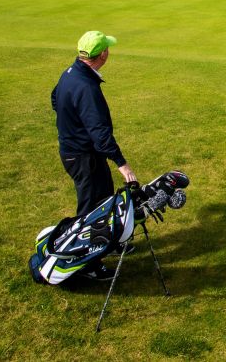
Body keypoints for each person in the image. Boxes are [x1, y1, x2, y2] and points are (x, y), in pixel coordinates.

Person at [51, 30, 138, 279]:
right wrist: (122, 164)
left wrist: (70, 121)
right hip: (82, 157)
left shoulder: (71, 72)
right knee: (89, 211)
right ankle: (87, 265)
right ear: (102, 55)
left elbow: (55, 98)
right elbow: (100, 133)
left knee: (104, 201)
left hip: (82, 153)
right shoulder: (87, 86)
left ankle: (107, 242)